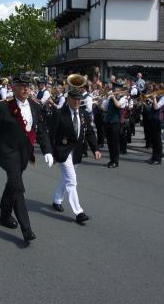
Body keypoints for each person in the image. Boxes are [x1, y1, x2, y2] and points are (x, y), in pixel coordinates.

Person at [0, 75, 53, 242]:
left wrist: (47, 151)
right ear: (14, 88)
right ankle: (27, 229)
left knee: (12, 184)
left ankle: (4, 215)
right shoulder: (3, 107)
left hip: (25, 153)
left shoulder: (35, 106)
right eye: (21, 86)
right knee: (17, 185)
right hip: (8, 153)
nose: (25, 89)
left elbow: (41, 130)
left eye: (27, 86)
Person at [49, 88, 101, 224]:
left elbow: (89, 132)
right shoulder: (60, 113)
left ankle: (56, 200)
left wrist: (95, 148)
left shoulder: (84, 114)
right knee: (71, 181)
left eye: (79, 99)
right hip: (63, 151)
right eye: (74, 99)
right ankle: (79, 212)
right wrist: (51, 153)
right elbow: (52, 135)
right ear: (68, 99)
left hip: (77, 152)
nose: (77, 101)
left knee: (65, 178)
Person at [101, 80, 127, 168]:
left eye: (117, 87)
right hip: (108, 121)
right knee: (109, 142)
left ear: (120, 88)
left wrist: (113, 97)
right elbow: (104, 108)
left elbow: (119, 105)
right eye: (114, 87)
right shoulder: (111, 97)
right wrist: (100, 102)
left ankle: (115, 161)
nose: (115, 88)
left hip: (115, 122)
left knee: (115, 143)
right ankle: (111, 160)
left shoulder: (123, 98)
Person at [147, 83, 164, 165]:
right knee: (153, 140)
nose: (156, 91)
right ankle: (153, 157)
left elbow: (156, 107)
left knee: (157, 140)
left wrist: (154, 98)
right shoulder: (159, 97)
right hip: (153, 119)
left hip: (158, 120)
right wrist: (151, 100)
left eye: (157, 89)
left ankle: (158, 158)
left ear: (161, 90)